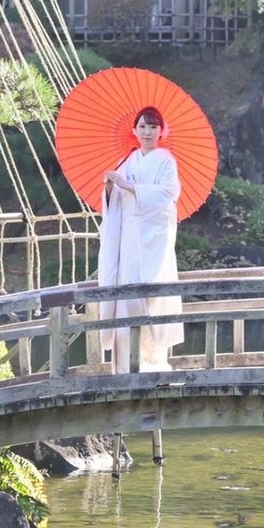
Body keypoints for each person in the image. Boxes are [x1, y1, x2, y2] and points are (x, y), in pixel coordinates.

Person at [97, 106, 185, 372]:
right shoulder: (128, 160)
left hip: (153, 239)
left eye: (153, 127)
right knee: (125, 297)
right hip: (127, 239)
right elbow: (115, 205)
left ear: (161, 131)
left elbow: (168, 194)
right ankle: (125, 366)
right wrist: (110, 190)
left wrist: (130, 186)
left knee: (151, 298)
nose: (147, 132)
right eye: (143, 127)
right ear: (134, 130)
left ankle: (153, 363)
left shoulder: (166, 161)